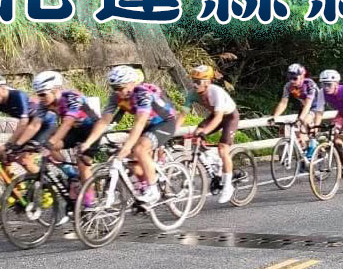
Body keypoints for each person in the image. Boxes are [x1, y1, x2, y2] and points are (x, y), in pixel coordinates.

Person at [81, 66, 174, 204]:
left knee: (139, 148)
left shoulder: (142, 94)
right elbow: (104, 121)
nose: (118, 92)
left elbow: (139, 122)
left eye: (121, 88)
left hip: (164, 122)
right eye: (115, 88)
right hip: (147, 124)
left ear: (132, 83)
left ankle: (154, 190)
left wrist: (128, 146)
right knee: (131, 160)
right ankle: (145, 184)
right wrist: (88, 142)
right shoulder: (116, 97)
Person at [184, 64, 242, 204]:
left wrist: (205, 131)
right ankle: (215, 164)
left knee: (223, 149)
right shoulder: (192, 94)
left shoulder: (216, 92)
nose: (194, 84)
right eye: (193, 81)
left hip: (229, 117)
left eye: (197, 82)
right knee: (197, 136)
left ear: (207, 82)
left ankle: (228, 186)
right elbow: (182, 114)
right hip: (215, 116)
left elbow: (218, 118)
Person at [270, 64, 320, 161]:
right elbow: (283, 103)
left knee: (304, 121)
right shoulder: (288, 86)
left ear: (302, 76)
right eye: (290, 78)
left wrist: (301, 118)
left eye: (295, 78)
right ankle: (305, 153)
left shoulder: (309, 84)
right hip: (304, 106)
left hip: (316, 106)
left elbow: (309, 104)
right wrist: (274, 117)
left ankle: (313, 143)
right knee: (299, 134)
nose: (292, 81)